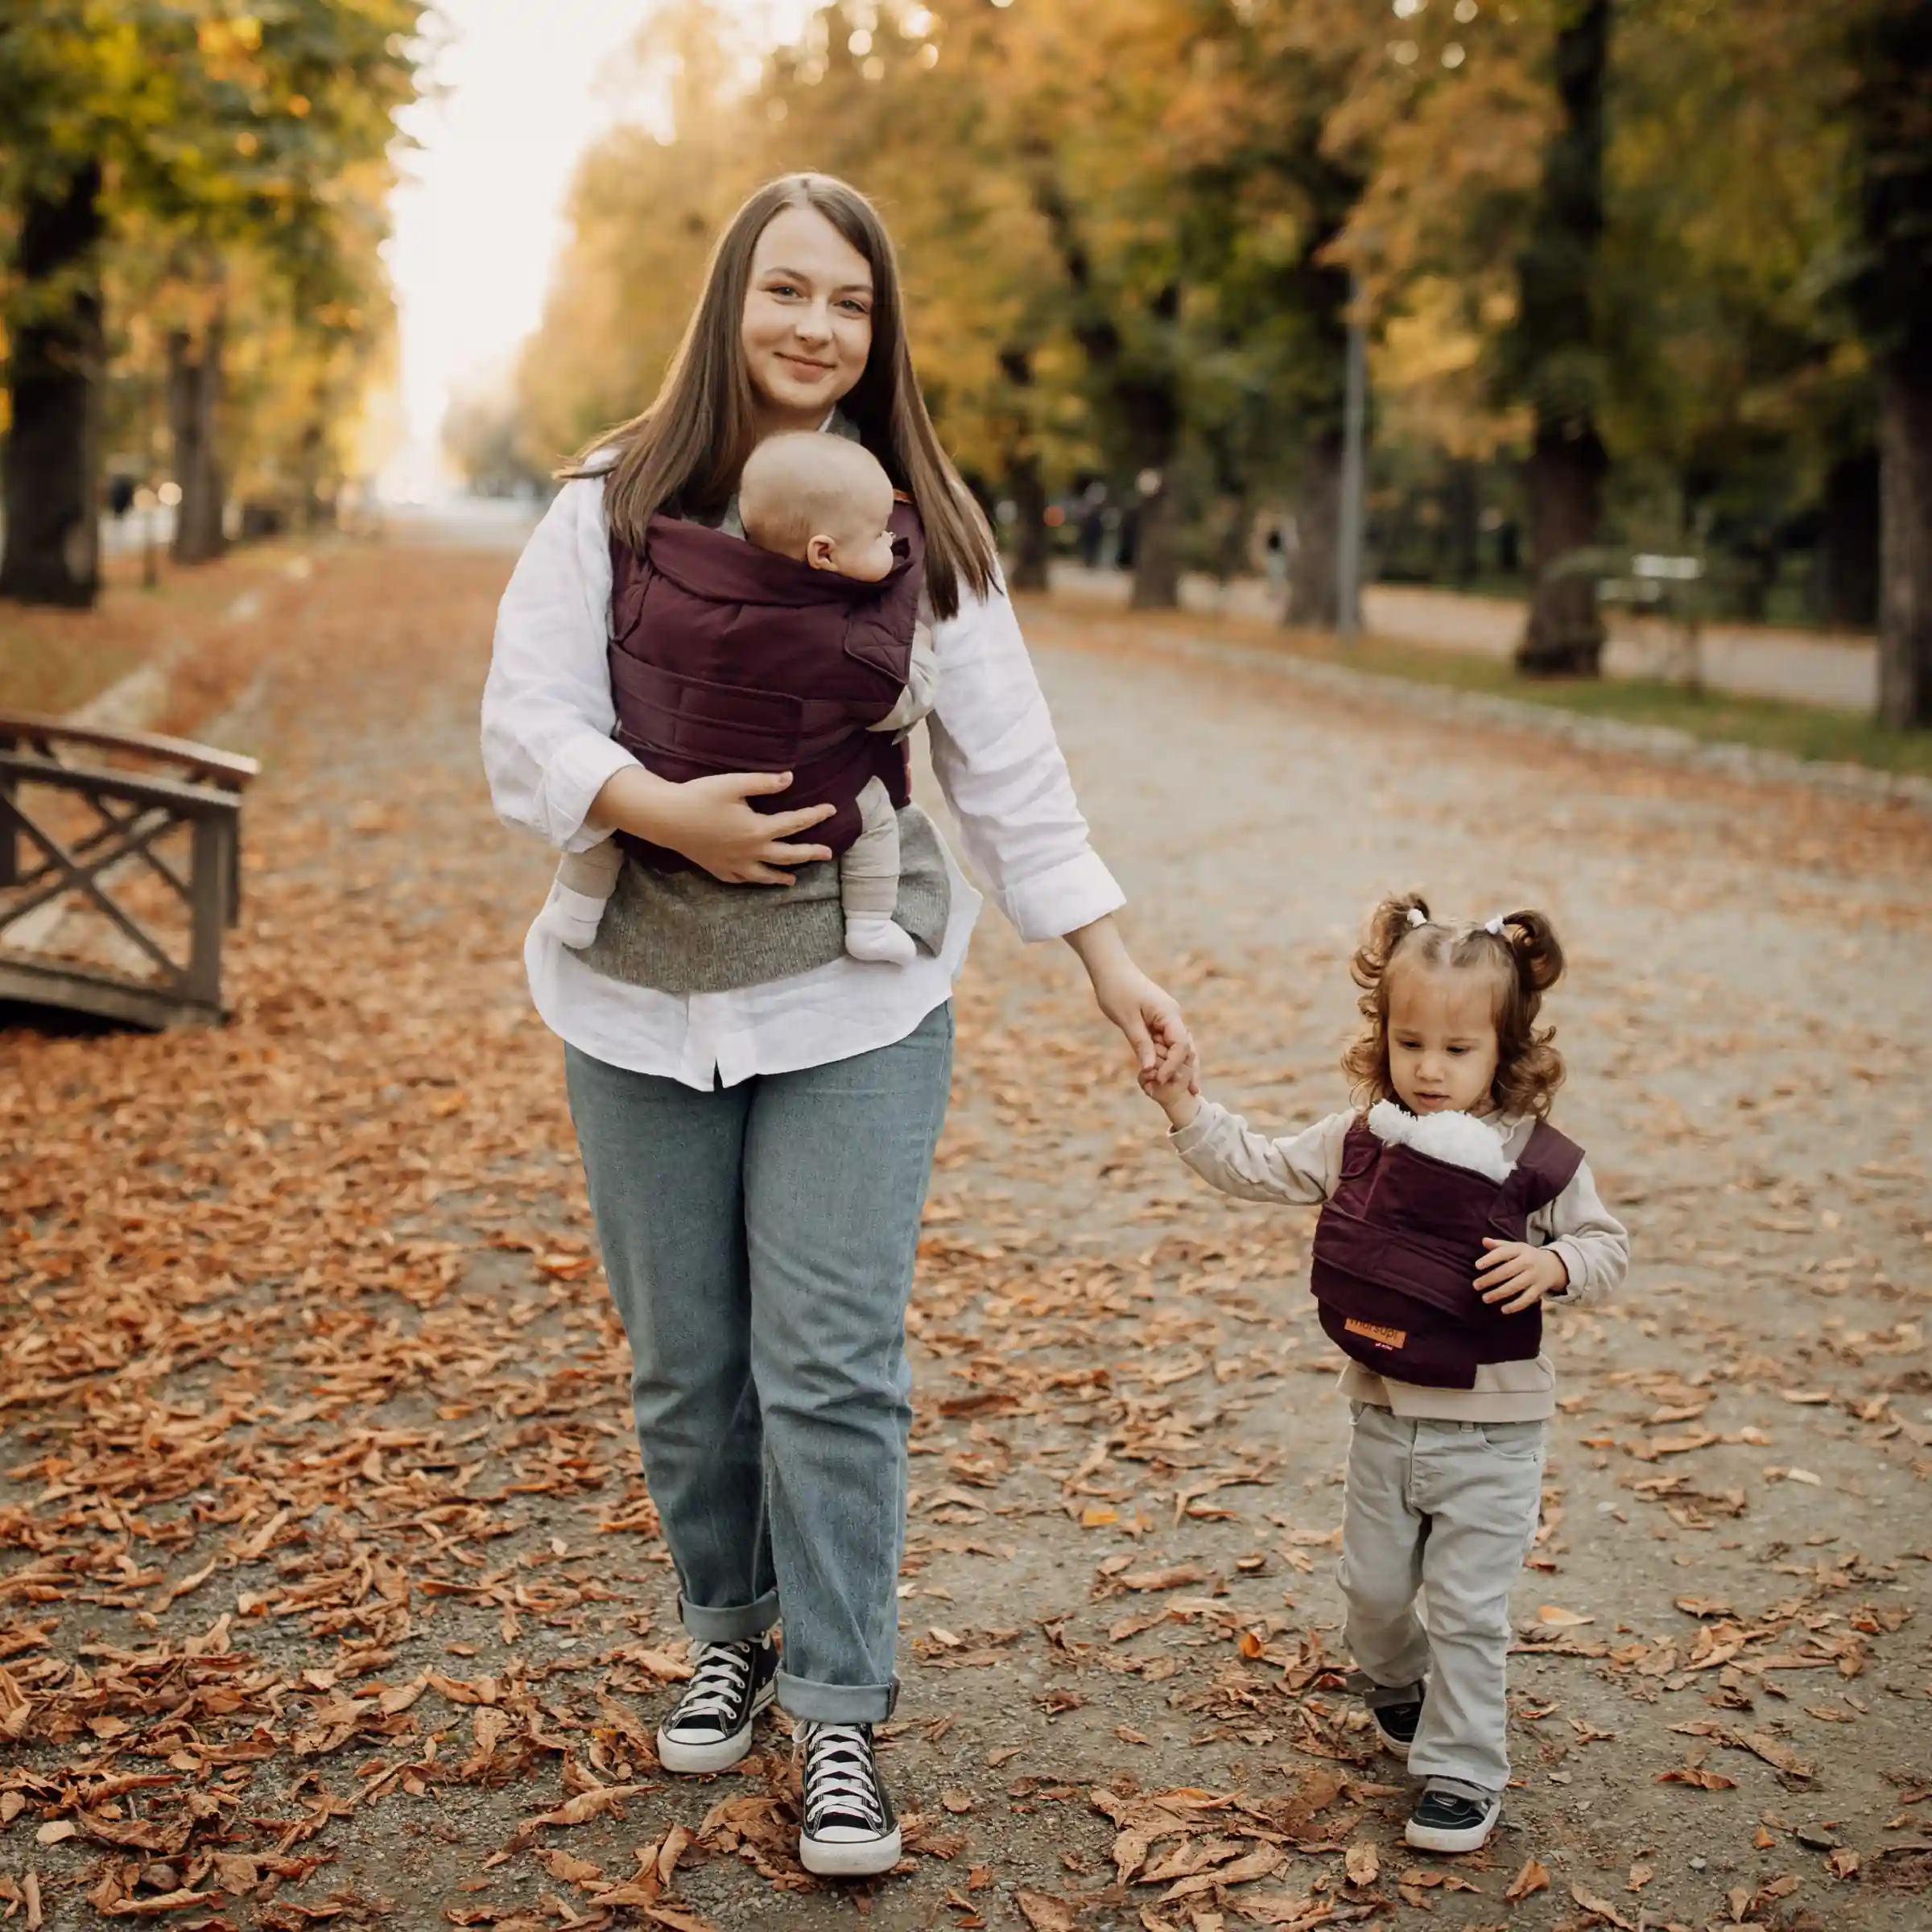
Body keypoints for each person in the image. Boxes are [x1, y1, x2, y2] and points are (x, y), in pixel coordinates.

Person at [482, 171, 1191, 1880]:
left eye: (850, 303)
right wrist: (662, 812)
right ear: (733, 300)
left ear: (882, 330)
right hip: (638, 992)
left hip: (854, 996)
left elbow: (1005, 767)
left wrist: (1111, 960)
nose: (815, 327)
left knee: (831, 1365)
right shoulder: (613, 499)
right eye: (786, 291)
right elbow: (525, 721)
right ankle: (732, 1625)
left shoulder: (926, 529)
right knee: (686, 1367)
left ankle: (846, 1719)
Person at [1141, 894, 1627, 1854]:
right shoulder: (1361, 1140)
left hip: (1494, 1433)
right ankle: (1397, 1682)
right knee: (1372, 1599)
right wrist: (1183, 1106)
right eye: (1411, 1044)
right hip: (1385, 1422)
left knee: (1468, 1611)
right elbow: (1257, 1166)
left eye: (1457, 1050)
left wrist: (1556, 1264)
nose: (1429, 1069)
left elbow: (1610, 1247)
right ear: (1384, 1038)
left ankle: (1460, 1772)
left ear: (1506, 1050)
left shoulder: (1537, 1165)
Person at [540, 432, 939, 966]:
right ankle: (869, 924)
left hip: (660, 785)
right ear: (824, 553)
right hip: (792, 809)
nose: (890, 542)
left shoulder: (679, 596)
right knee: (874, 809)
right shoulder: (845, 638)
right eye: (877, 535)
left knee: (606, 811)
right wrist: (924, 652)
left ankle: (577, 909)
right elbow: (896, 704)